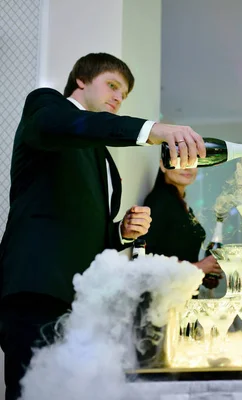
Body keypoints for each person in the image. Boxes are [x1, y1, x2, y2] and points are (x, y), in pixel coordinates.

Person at [0, 52, 207, 400]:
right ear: (81, 80)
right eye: (112, 85)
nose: (117, 97)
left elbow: (86, 230)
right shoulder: (46, 107)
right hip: (38, 288)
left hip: (81, 299)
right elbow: (71, 125)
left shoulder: (97, 151)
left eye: (123, 94)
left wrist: (122, 232)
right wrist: (153, 130)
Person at [142, 162, 222, 277]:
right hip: (164, 293)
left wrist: (202, 274)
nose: (187, 167)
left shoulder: (179, 203)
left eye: (192, 161)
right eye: (179, 160)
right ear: (163, 165)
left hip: (181, 291)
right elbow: (146, 258)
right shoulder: (160, 201)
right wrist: (199, 267)